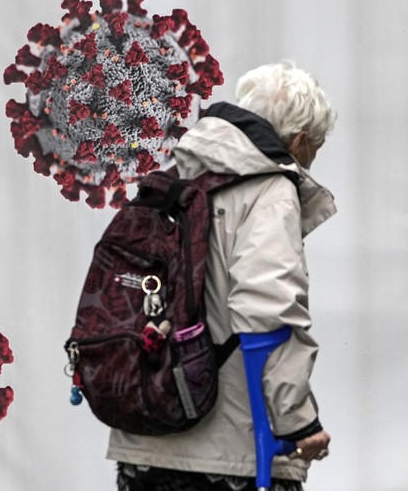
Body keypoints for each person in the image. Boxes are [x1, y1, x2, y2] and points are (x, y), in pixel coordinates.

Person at [108, 62, 337, 491]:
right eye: (316, 148)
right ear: (300, 141)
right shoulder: (269, 189)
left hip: (142, 439)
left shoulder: (172, 177)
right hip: (232, 458)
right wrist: (301, 424)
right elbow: (267, 319)